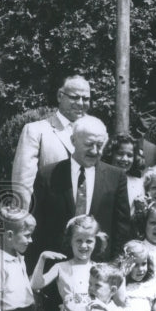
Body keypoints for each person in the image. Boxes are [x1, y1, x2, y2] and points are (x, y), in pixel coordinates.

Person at [31, 115, 131, 268]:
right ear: (73, 141)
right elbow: (37, 226)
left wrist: (114, 267)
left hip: (100, 271)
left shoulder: (116, 177)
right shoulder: (48, 175)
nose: (95, 151)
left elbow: (121, 228)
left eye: (100, 145)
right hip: (55, 269)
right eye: (89, 144)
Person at [11, 75, 91, 210]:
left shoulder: (94, 133)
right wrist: (27, 222)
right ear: (60, 96)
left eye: (86, 98)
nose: (81, 103)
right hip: (48, 221)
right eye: (75, 97)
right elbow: (23, 185)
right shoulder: (36, 130)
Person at [105, 134, 146, 212]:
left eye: (129, 155)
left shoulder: (138, 184)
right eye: (120, 154)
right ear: (111, 154)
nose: (124, 159)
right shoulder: (102, 179)